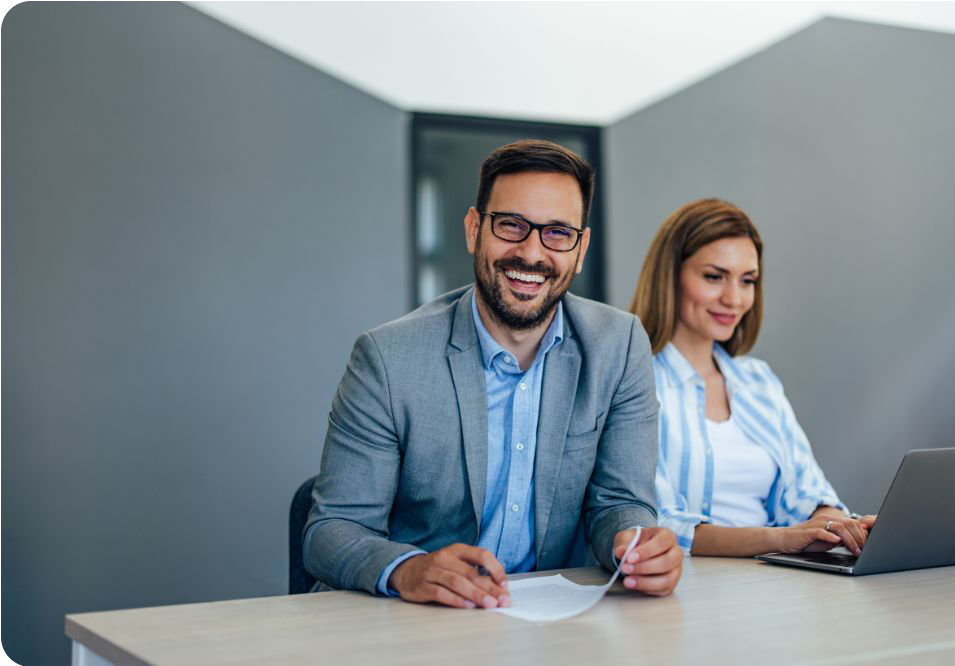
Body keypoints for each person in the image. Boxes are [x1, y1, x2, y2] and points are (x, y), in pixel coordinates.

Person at [305, 140, 682, 609]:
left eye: (557, 234)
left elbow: (620, 502)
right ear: (473, 229)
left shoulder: (619, 345)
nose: (530, 253)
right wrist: (408, 569)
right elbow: (331, 530)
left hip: (553, 626)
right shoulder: (387, 357)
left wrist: (634, 543)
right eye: (511, 226)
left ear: (580, 249)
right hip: (413, 623)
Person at [629, 198, 875, 558]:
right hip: (688, 586)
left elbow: (810, 493)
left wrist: (839, 526)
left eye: (748, 281)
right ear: (671, 276)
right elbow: (661, 525)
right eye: (714, 277)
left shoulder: (757, 380)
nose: (734, 298)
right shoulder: (633, 380)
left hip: (775, 582)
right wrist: (782, 539)